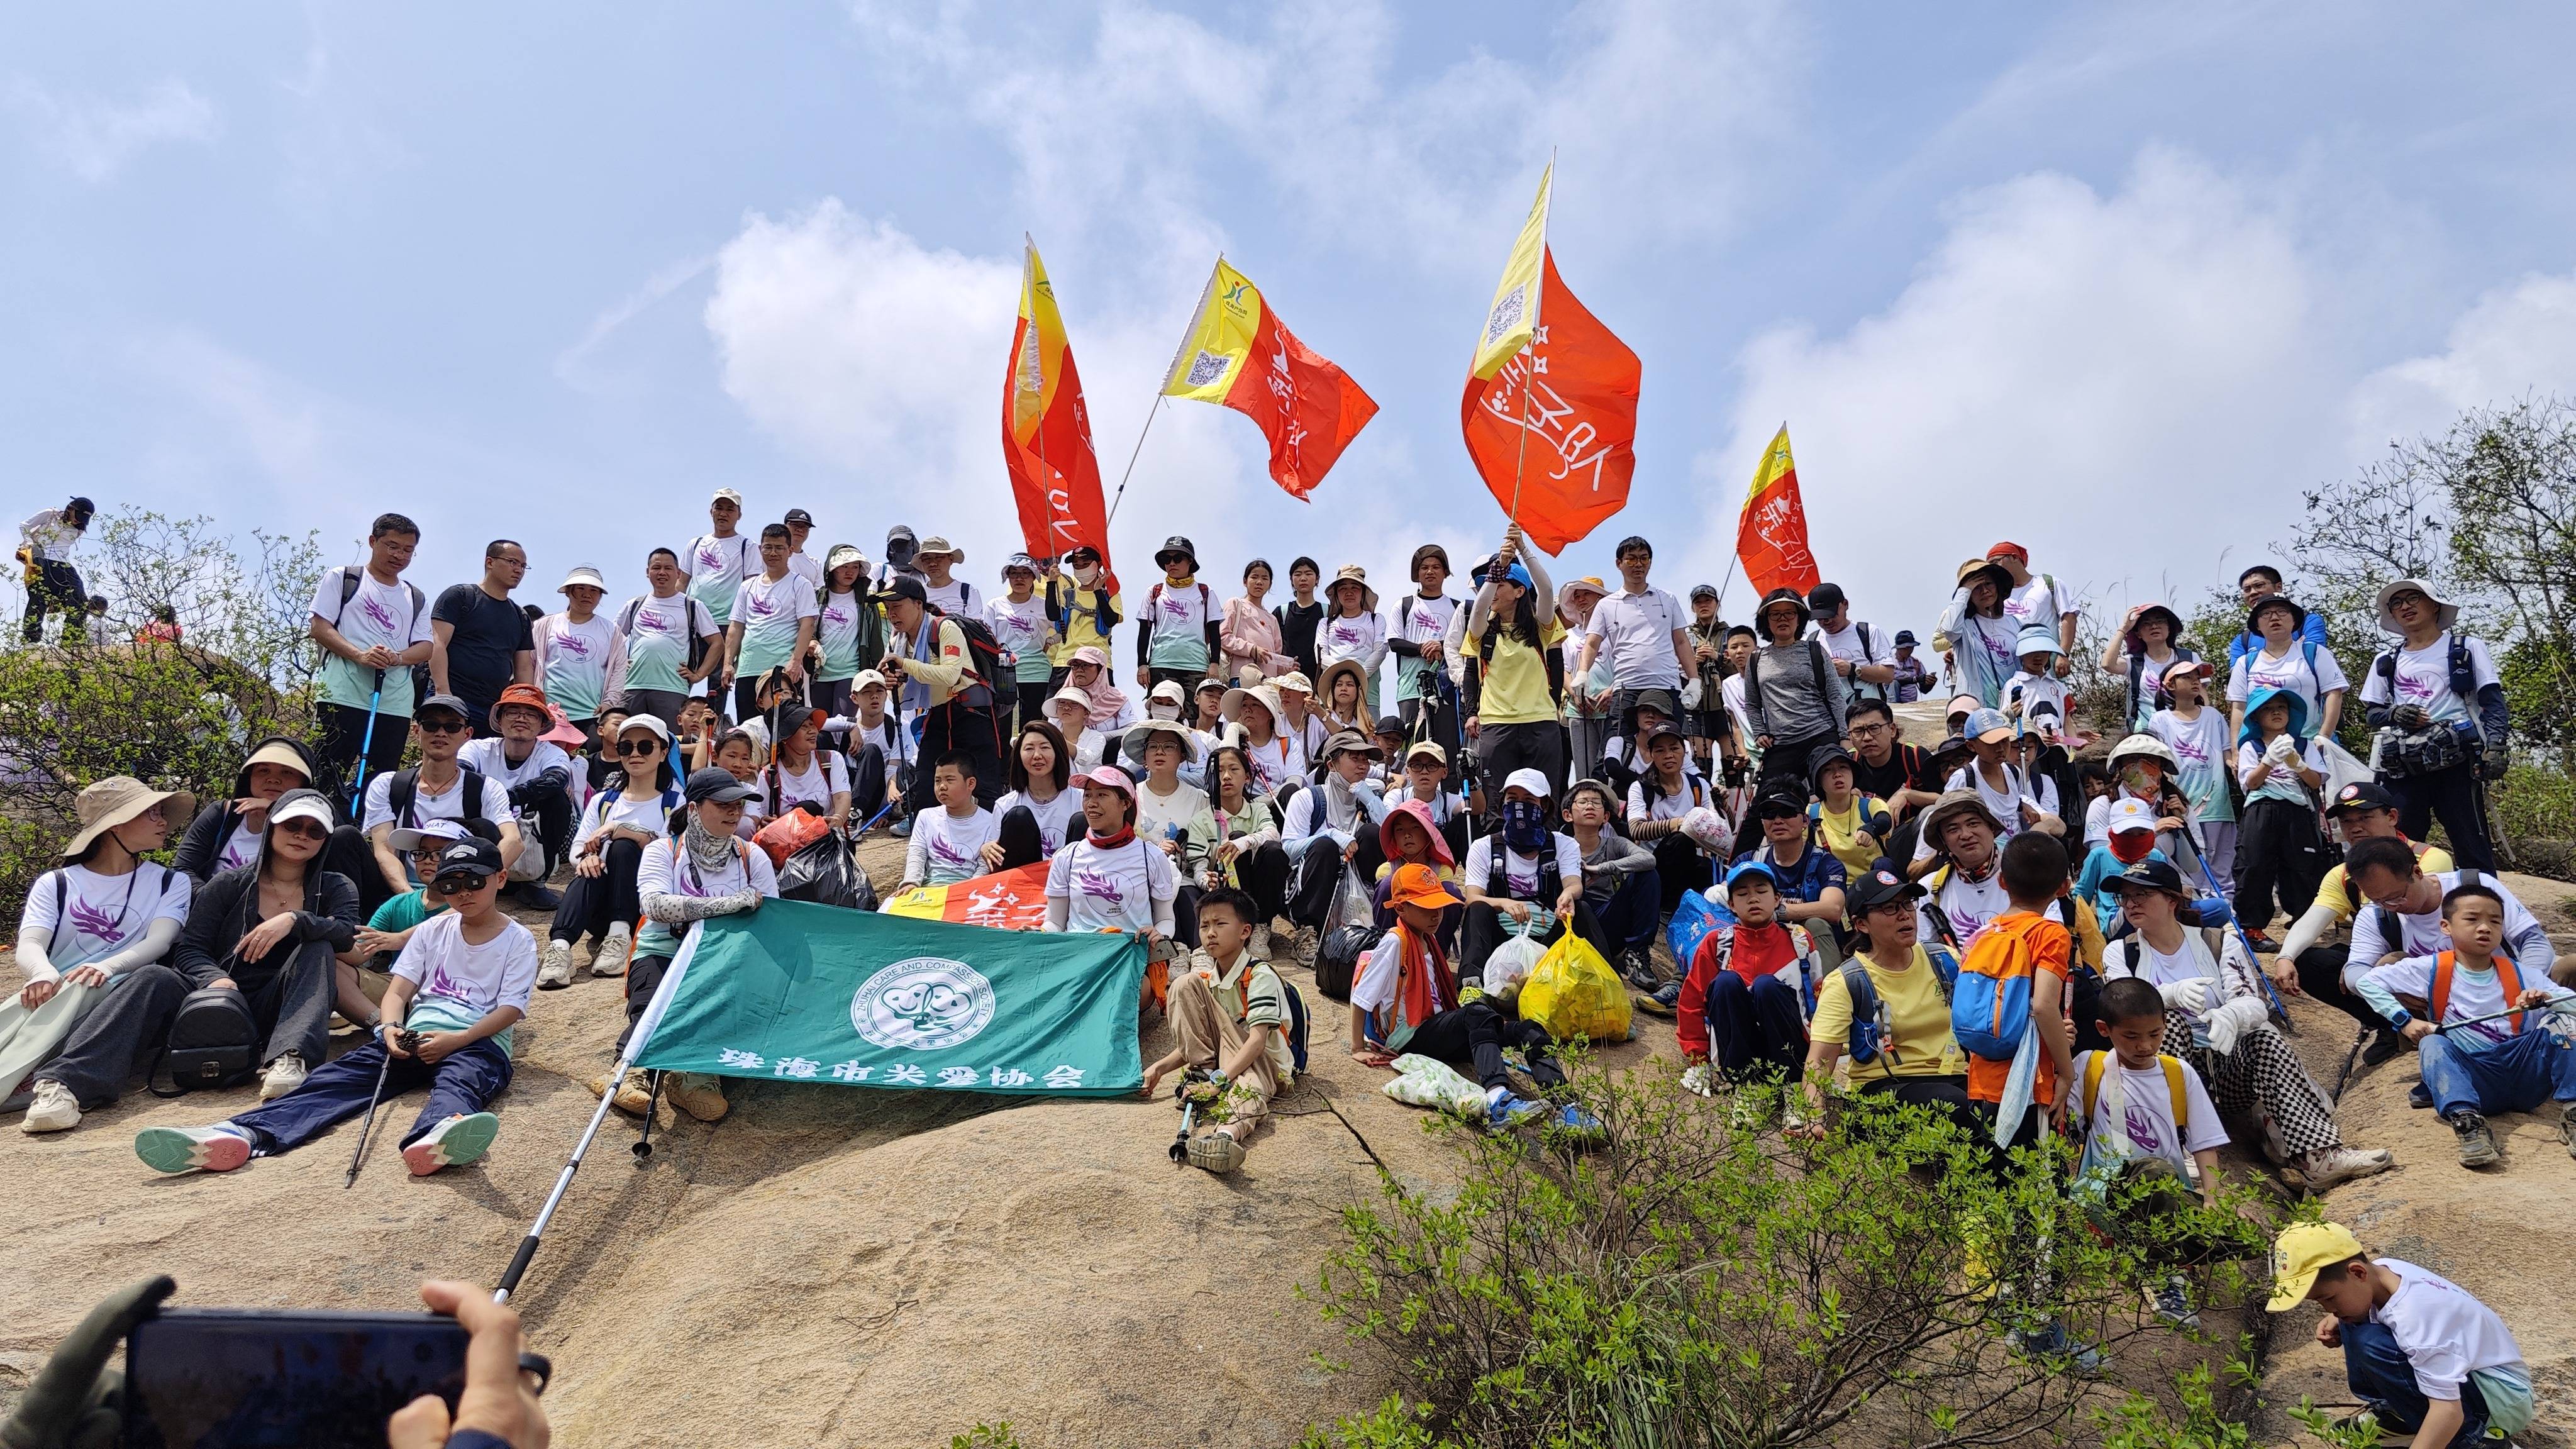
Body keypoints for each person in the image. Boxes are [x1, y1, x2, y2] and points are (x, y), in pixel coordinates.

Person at [136, 836, 530, 1180]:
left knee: (463, 1080)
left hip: (478, 1041)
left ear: (500, 878)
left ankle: (439, 1133)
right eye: (451, 884)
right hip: (413, 1037)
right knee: (335, 1079)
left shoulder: (519, 940)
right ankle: (241, 1133)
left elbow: (510, 1009)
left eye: (474, 881)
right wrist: (390, 1027)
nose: (463, 892)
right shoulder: (431, 931)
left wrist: (458, 1039)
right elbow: (397, 991)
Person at [2101, 859, 2389, 1189]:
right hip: (2159, 1070)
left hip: (2225, 1075)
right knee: (2170, 1023)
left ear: (2172, 900)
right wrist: (2167, 995)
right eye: (2126, 897)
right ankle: (2175, 1144)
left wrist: (2231, 1015)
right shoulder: (2120, 953)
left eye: (2143, 894)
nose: (2131, 904)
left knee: (2263, 1036)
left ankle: (2318, 1156)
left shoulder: (2218, 942)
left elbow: (2251, 1001)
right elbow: (2120, 1005)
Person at [11, 778, 196, 1135]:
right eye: (151, 813)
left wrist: (107, 966)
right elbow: (31, 942)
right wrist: (41, 973)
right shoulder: (57, 882)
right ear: (115, 825)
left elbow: (160, 942)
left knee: (156, 978)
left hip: (134, 995)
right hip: (64, 999)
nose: (163, 822)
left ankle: (63, 1088)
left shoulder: (170, 882)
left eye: (161, 813)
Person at [590, 767, 775, 1123]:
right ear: (693, 809)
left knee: (717, 1004)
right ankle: (631, 1071)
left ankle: (694, 1076)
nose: (734, 812)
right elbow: (655, 906)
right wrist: (729, 904)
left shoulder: (754, 856)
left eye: (738, 804)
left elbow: (770, 917)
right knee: (653, 1002)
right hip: (663, 949)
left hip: (727, 958)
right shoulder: (663, 850)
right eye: (723, 804)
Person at [2355, 879, 2576, 1169]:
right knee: (2433, 1042)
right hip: (2475, 1077)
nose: (2484, 928)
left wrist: (2546, 997)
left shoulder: (2521, 972)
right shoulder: (2430, 967)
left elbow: (2572, 1004)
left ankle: (2573, 1111)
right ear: (2446, 926)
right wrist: (2405, 1021)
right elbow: (2366, 982)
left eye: (2495, 921)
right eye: (2472, 919)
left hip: (2525, 1074)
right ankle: (2469, 1124)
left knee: (2562, 1021)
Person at [161, 787, 358, 1104]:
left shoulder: (335, 886)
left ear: (326, 840)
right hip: (223, 1000)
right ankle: (65, 1078)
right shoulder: (227, 884)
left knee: (318, 948)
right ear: (272, 827)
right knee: (152, 978)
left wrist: (296, 919)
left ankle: (292, 1057)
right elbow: (191, 948)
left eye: (315, 830)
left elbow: (346, 934)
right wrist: (215, 980)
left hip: (282, 1004)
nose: (302, 836)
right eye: (292, 825)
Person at [2269, 1221, 2536, 1448]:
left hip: (2502, 1401)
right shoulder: (2384, 1269)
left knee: (2371, 1342)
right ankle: (2401, 1414)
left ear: (2358, 1272)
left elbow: (2448, 1412)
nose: (2328, 1309)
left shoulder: (2416, 1319)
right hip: (2482, 1380)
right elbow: (2361, 1303)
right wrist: (2337, 1316)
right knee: (2354, 1320)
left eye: (2328, 1298)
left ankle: (2476, 1440)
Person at [1350, 862, 1572, 1129]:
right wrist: (1357, 1049)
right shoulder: (1396, 941)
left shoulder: (1427, 939)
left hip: (1438, 1028)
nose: (1436, 915)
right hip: (1411, 1035)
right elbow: (1361, 996)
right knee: (1477, 1014)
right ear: (1400, 908)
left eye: (1439, 906)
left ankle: (1566, 1106)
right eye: (1426, 907)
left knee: (1529, 1029)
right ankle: (1498, 1099)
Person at [2067, 975, 2233, 1328]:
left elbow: (2204, 1142)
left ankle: (2158, 1255)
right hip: (2105, 1192)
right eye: (2131, 1036)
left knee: (2240, 1237)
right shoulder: (2089, 1067)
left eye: (2154, 1035)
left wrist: (2214, 1198)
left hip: (2168, 1194)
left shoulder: (2178, 1072)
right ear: (2104, 1029)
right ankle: (2163, 1273)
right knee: (2153, 1172)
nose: (2145, 1045)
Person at [1793, 867, 1975, 1142]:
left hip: (1955, 1077)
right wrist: (1812, 1114)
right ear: (1861, 925)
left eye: (1907, 904)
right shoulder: (1847, 981)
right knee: (1958, 1107)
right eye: (1888, 908)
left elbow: (1984, 1016)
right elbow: (1819, 1059)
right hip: (1884, 1090)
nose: (1905, 914)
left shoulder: (1945, 959)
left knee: (2011, 1111)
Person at [2274, 782, 2454, 1061]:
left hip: (2433, 956)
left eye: (2365, 818)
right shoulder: (2342, 874)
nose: (2355, 828)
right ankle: (2388, 1026)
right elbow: (2314, 919)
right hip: (2378, 957)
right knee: (2311, 962)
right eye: (2347, 822)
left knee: (2384, 962)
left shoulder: (2429, 860)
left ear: (2392, 817)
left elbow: (2413, 914)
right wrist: (2285, 957)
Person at [1143, 886, 1295, 1174]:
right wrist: (1159, 1069)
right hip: (1227, 1060)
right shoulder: (1207, 979)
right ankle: (1204, 1073)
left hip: (1267, 1066)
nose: (1210, 933)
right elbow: (1206, 1041)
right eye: (1204, 925)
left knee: (1249, 1084)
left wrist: (1219, 1081)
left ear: (1245, 931)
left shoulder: (1259, 975)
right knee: (1183, 984)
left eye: (1220, 924)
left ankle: (1224, 1137)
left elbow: (1257, 1042)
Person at [2359, 577, 2507, 871]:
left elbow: (2491, 700)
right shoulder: (2387, 660)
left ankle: (2480, 912)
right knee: (2399, 842)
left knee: (2471, 840)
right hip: (2405, 763)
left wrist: (2496, 745)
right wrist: (2395, 713)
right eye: (2397, 603)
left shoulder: (2465, 648)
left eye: (2413, 598)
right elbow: (2372, 713)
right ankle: (2399, 910)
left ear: (2435, 605)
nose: (2405, 607)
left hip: (2457, 760)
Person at [1959, 832, 2080, 1148]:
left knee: (1989, 1179)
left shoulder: (1983, 933)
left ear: (2002, 881)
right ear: (2063, 888)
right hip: (2028, 1081)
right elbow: (2043, 1006)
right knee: (2034, 1183)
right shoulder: (2050, 933)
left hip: (1982, 1076)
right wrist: (2067, 1073)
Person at [540, 715, 679, 988]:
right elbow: (579, 846)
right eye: (627, 747)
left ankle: (620, 934)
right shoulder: (604, 800)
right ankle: (560, 946)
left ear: (663, 753)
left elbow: (672, 851)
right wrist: (587, 857)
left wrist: (622, 829)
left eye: (646, 747)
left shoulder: (674, 802)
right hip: (599, 902)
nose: (635, 754)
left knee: (624, 848)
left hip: (642, 908)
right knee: (589, 868)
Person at [308, 512, 435, 801]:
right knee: (328, 770)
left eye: (407, 550)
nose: (399, 555)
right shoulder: (343, 578)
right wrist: (360, 656)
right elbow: (320, 627)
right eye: (391, 546)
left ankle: (367, 838)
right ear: (372, 541)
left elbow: (425, 647)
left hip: (395, 701)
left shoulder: (415, 597)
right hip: (342, 692)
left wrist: (397, 657)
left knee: (381, 780)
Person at [361, 696, 519, 916]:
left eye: (452, 726)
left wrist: (477, 881)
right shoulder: (389, 785)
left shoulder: (486, 788)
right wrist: (411, 901)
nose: (441, 733)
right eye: (431, 725)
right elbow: (385, 849)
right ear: (416, 731)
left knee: (488, 829)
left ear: (467, 734)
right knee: (345, 838)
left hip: (460, 891)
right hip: (400, 891)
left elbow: (514, 841)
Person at [1676, 862, 1819, 1102]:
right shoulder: (1717, 943)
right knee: (1726, 983)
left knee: (1767, 986)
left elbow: (1818, 995)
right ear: (1731, 905)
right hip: (1736, 1051)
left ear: (1777, 899)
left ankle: (1793, 1087)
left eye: (1761, 891)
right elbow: (1691, 1002)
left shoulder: (1799, 940)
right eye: (1743, 894)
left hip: (1790, 1047)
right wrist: (1698, 1060)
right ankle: (1747, 1087)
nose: (1753, 899)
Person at [1043, 765, 1180, 1009]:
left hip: (1131, 963)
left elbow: (1166, 920)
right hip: (1080, 958)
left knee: (1120, 996)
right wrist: (1040, 934)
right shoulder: (1067, 857)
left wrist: (1160, 935)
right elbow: (1054, 922)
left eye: (1102, 795)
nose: (1091, 803)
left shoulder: (1151, 857)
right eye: (1088, 795)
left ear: (1126, 803)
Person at [1458, 770, 1606, 980]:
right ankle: (1471, 983)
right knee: (1478, 910)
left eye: (1529, 800)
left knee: (1581, 909)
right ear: (1503, 805)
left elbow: (1574, 884)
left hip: (1550, 941)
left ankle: (1602, 980)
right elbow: (1473, 897)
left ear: (1543, 806)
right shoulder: (1484, 847)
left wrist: (1568, 895)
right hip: (1501, 939)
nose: (1520, 806)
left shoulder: (1563, 844)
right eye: (1513, 799)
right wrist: (1504, 903)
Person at [880, 574, 1006, 810]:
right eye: (887, 608)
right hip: (938, 712)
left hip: (972, 710)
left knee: (983, 782)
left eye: (897, 606)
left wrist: (905, 666)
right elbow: (901, 698)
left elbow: (950, 674)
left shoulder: (945, 627)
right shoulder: (896, 641)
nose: (892, 613)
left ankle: (992, 839)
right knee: (928, 778)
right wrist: (893, 683)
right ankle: (925, 839)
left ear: (918, 604)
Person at [1463, 536, 1570, 805]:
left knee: (1544, 800)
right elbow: (1479, 608)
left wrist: (1523, 549)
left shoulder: (1540, 626)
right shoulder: (1483, 629)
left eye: (1501, 585)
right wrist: (1498, 566)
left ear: (1520, 591)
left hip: (1540, 722)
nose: (1492, 591)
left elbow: (1546, 590)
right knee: (1498, 803)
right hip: (1497, 725)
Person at [459, 684, 576, 910]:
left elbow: (556, 779)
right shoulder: (478, 749)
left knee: (558, 799)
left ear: (542, 724)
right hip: (485, 830)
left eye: (531, 714)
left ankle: (536, 882)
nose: (521, 719)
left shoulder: (552, 753)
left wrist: (501, 798)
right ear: (500, 720)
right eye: (513, 712)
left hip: (531, 834)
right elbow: (459, 774)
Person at [2233, 686, 2330, 943]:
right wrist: (2269, 761)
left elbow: (2314, 782)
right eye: (2268, 708)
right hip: (2261, 809)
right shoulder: (2250, 747)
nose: (2276, 712)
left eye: (2281, 708)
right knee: (2254, 865)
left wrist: (2298, 764)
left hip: (2297, 810)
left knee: (2301, 867)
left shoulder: (2305, 745)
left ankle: (2304, 925)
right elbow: (2251, 784)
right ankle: (2252, 929)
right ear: (2256, 717)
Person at [1574, 535, 1692, 736]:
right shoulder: (1607, 604)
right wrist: (1582, 672)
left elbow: (1681, 641)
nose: (1638, 564)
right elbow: (1592, 644)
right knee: (1613, 756)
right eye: (1631, 559)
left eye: (1644, 558)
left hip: (1667, 686)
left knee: (1667, 753)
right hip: (1626, 689)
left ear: (1650, 562)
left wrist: (1695, 680)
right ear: (1619, 563)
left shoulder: (1668, 598)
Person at [1741, 587, 1849, 795]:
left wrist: (1844, 736)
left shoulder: (1815, 651)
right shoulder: (1755, 659)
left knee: (1835, 795)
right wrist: (1759, 731)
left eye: (1789, 613)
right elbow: (1752, 704)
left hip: (1821, 736)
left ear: (1799, 618)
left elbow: (1835, 695)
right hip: (1781, 744)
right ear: (1766, 620)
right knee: (1768, 802)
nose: (1783, 619)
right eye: (1775, 614)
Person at [1281, 731, 1392, 930]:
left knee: (1372, 833)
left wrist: (1371, 799)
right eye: (1354, 757)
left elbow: (1390, 838)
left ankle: (1369, 920)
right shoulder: (1307, 798)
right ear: (1331, 764)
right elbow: (1290, 849)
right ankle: (1309, 929)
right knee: (1325, 845)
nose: (1363, 765)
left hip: (1355, 893)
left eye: (1365, 759)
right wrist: (1331, 834)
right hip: (1309, 889)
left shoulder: (1367, 798)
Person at [1181, 744, 1292, 938]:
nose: (1226, 777)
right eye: (1219, 771)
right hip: (1225, 891)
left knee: (1272, 851)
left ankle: (1262, 928)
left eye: (1233, 769)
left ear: (1247, 776)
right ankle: (1239, 924)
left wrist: (1242, 844)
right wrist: (1208, 882)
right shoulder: (1201, 820)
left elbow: (1273, 834)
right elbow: (1199, 867)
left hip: (1259, 889)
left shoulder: (1258, 810)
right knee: (1236, 838)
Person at [431, 540, 536, 739]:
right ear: (490, 562)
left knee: (489, 768)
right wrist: (443, 694)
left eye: (523, 566)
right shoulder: (461, 597)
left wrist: (523, 707)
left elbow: (523, 668)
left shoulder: (520, 616)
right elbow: (438, 643)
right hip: (455, 699)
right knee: (445, 764)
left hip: (495, 710)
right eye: (512, 562)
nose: (519, 570)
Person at [1730, 787, 1849, 963]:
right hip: (1763, 940)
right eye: (1769, 814)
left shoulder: (1826, 863)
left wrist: (1777, 911)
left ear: (1805, 821)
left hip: (1813, 945)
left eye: (1787, 812)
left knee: (1816, 923)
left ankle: (1828, 989)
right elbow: (1726, 902)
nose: (1778, 820)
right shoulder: (1748, 861)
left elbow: (1832, 909)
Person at [2146, 659, 2236, 888]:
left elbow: (2228, 753)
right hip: (2182, 804)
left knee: (2221, 863)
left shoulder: (2213, 716)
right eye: (2186, 677)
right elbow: (2160, 762)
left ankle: (2225, 911)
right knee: (2189, 863)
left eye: (2197, 676)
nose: (2195, 680)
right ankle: (2198, 912)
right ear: (2170, 686)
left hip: (2216, 804)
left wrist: (2235, 765)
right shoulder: (2160, 720)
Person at [716, 524, 819, 722]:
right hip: (747, 669)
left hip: (781, 670)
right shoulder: (747, 586)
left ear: (790, 551)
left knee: (782, 730)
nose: (773, 553)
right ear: (760, 549)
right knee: (748, 729)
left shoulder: (801, 584)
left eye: (779, 548)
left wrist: (796, 662)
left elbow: (807, 625)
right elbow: (736, 627)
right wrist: (728, 664)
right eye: (768, 547)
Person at [611, 547, 723, 730]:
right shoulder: (634, 605)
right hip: (632, 686)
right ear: (648, 572)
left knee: (670, 744)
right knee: (627, 742)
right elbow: (612, 640)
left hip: (672, 688)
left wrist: (699, 675)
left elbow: (717, 643)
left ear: (678, 573)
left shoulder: (692, 605)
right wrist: (620, 663)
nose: (662, 572)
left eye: (668, 568)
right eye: (656, 568)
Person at [1562, 778, 1659, 980]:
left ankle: (1637, 954)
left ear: (1606, 817)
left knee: (1648, 874)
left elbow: (1648, 859)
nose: (1590, 806)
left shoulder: (1615, 844)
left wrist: (1602, 869)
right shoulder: (1559, 844)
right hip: (1571, 921)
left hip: (1607, 919)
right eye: (1583, 802)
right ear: (1568, 815)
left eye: (1596, 802)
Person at [1624, 722, 1720, 914]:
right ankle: (1672, 907)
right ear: (1651, 755)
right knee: (1682, 839)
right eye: (1660, 750)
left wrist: (1722, 806)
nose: (1668, 755)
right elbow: (1636, 829)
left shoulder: (1698, 784)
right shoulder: (1641, 787)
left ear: (1684, 752)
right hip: (1656, 867)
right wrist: (1678, 824)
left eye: (1674, 748)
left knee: (1724, 876)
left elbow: (1718, 830)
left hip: (1691, 862)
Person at [2225, 592, 2347, 742]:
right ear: (2257, 625)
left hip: (2310, 745)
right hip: (2261, 750)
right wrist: (2237, 749)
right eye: (2266, 614)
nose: (2274, 618)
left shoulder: (2314, 653)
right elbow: (2238, 708)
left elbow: (2334, 694)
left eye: (2282, 611)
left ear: (2294, 620)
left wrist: (2324, 737)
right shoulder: (2245, 663)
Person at [535, 565, 619, 741]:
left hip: (591, 714)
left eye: (594, 590)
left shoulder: (611, 630)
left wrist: (609, 703)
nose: (587, 594)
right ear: (568, 591)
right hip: (550, 714)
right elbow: (530, 663)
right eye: (581, 588)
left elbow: (619, 670)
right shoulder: (545, 625)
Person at [1843, 698, 1941, 842]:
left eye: (1874, 728)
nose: (1867, 737)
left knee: (1929, 813)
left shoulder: (1913, 756)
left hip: (1912, 835)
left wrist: (1907, 794)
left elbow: (1947, 799)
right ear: (1850, 736)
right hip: (1863, 837)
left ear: (1892, 730)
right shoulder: (1849, 762)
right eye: (1858, 731)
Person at [1389, 543, 1460, 744]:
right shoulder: (1404, 605)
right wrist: (1423, 648)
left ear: (1445, 572)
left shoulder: (1457, 608)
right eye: (1424, 567)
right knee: (1412, 746)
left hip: (1447, 689)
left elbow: (1464, 644)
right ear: (1417, 573)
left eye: (1436, 567)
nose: (1430, 571)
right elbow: (1394, 642)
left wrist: (1441, 645)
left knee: (1446, 747)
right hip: (1410, 688)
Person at [899, 752, 998, 891]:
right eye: (938, 780)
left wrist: (970, 888)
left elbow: (984, 866)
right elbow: (917, 853)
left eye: (949, 780)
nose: (942, 787)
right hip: (931, 888)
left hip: (970, 889)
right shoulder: (926, 816)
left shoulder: (990, 821)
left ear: (971, 783)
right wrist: (911, 883)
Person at [1134, 535, 1220, 692]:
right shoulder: (1154, 592)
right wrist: (1142, 664)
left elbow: (1215, 632)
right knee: (1161, 715)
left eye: (1178, 558)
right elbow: (1144, 631)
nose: (1172, 563)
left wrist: (1215, 663)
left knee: (1195, 717)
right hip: (1161, 664)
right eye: (1167, 559)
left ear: (1190, 561)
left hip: (1197, 665)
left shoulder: (1206, 592)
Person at [991, 718, 1080, 868]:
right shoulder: (1005, 805)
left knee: (1081, 821)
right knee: (1017, 816)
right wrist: (985, 849)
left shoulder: (1080, 799)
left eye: (1044, 748)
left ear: (1058, 752)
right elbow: (995, 853)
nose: (1037, 755)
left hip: (1067, 880)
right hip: (1023, 883)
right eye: (1029, 749)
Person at [1934, 557, 2019, 707]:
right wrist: (1964, 589)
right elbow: (1949, 629)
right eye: (1977, 587)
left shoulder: (2016, 624)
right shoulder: (1965, 627)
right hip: (1978, 709)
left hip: (2016, 705)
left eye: (1988, 584)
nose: (1985, 591)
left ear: (1998, 587)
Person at [2101, 602, 2197, 734]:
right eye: (2146, 623)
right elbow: (2107, 664)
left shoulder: (2189, 658)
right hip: (2147, 734)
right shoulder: (2134, 662)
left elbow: (2201, 695)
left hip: (2184, 729)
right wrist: (2123, 629)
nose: (2154, 626)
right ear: (2138, 634)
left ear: (2169, 628)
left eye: (2160, 621)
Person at [815, 545, 885, 723]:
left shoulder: (867, 603)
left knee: (844, 725)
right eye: (844, 566)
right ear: (832, 569)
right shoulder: (817, 597)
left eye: (855, 567)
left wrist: (880, 676)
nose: (849, 572)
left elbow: (876, 642)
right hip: (818, 674)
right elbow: (806, 629)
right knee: (820, 727)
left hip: (850, 672)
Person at [984, 553, 1055, 724]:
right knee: (1005, 727)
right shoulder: (995, 605)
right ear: (1007, 576)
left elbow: (1065, 627)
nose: (1019, 578)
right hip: (1005, 675)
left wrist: (1051, 641)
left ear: (1034, 577)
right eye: (1014, 573)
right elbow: (987, 639)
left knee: (1036, 726)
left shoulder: (1044, 604)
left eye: (1025, 573)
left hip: (1038, 673)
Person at [1558, 574, 1616, 780]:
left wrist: (1612, 691)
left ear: (1600, 597)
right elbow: (1562, 670)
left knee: (1613, 769)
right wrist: (1575, 695)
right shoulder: (1569, 636)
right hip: (1579, 709)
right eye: (1577, 596)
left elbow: (1626, 666)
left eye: (1587, 594)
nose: (1581, 599)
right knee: (1585, 771)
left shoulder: (1614, 633)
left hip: (1611, 707)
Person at [1986, 540, 2077, 672]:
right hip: (2011, 667)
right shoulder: (1997, 595)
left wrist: (2063, 654)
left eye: (1996, 562)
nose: (1994, 569)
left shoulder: (2048, 584)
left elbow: (2069, 617)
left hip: (2047, 664)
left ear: (2014, 557)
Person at [16, 494, 94, 644]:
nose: (78, 521)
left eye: (83, 519)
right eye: (77, 516)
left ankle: (72, 638)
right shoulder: (50, 515)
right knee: (39, 598)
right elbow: (24, 525)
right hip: (42, 559)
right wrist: (30, 543)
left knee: (79, 597)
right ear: (71, 509)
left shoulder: (78, 530)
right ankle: (31, 640)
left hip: (63, 565)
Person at [1042, 543, 1123, 688]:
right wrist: (1051, 583)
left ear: (1098, 565)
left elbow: (1110, 621)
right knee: (1055, 708)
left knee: (1100, 710)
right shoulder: (1069, 594)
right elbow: (1053, 614)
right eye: (1077, 565)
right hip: (1066, 660)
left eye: (1085, 564)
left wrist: (1098, 591)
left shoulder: (1110, 595)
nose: (1081, 568)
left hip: (1098, 661)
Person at [679, 487, 756, 636]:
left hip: (728, 623)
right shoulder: (696, 544)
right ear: (711, 512)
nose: (723, 514)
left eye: (730, 510)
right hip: (694, 620)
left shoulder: (747, 546)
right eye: (719, 508)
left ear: (739, 515)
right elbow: (682, 582)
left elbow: (751, 587)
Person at [760, 708, 850, 831]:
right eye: (804, 726)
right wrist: (766, 822)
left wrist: (838, 818)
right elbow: (763, 818)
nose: (813, 731)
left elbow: (841, 796)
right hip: (790, 844)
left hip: (828, 839)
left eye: (812, 725)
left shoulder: (831, 759)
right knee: (807, 809)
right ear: (785, 738)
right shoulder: (769, 775)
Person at [1807, 582, 1896, 704]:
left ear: (1845, 605)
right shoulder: (1812, 641)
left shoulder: (1867, 632)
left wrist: (1853, 669)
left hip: (1868, 713)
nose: (1826, 621)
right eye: (1820, 618)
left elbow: (1888, 675)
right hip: (1830, 716)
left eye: (1831, 615)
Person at [2226, 565, 2331, 667]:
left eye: (2259, 586)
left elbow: (2313, 658)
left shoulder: (2308, 622)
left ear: (2279, 587)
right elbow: (2240, 676)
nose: (2253, 593)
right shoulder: (2242, 641)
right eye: (2247, 590)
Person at [1316, 565, 1386, 717]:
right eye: (1343, 588)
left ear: (1363, 593)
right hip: (1333, 688)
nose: (1349, 593)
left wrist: (1360, 674)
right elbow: (1320, 654)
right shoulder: (1325, 623)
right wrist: (1344, 673)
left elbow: (1380, 650)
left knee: (1369, 735)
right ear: (1336, 594)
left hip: (1368, 688)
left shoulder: (1376, 620)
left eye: (1355, 588)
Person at [843, 669, 907, 826]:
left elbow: (893, 769)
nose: (874, 697)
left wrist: (884, 811)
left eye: (880, 691)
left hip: (876, 795)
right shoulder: (846, 726)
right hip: (846, 793)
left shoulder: (897, 726)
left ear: (886, 695)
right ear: (854, 698)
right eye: (866, 692)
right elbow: (819, 724)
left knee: (871, 750)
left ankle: (855, 813)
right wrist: (851, 727)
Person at [1225, 681, 1305, 796]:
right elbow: (1224, 768)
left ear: (1270, 714)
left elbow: (1295, 783)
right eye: (1244, 705)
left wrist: (1261, 803)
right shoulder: (1236, 742)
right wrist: (1233, 728)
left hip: (1278, 805)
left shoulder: (1289, 745)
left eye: (1255, 705)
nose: (1248, 710)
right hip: (1243, 806)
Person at [1220, 557, 1292, 682]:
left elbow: (1276, 655)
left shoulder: (1272, 619)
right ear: (1245, 581)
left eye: (1265, 578)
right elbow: (1222, 637)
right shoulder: (1235, 604)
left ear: (1270, 584)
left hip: (1269, 681)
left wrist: (1288, 668)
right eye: (1254, 577)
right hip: (1241, 676)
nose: (1259, 582)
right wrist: (1252, 649)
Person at [2002, 629, 2071, 739]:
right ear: (2022, 653)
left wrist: (2077, 740)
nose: (2038, 657)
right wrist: (2009, 715)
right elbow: (2004, 722)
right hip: (2027, 751)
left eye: (2044, 651)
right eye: (2031, 651)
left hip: (2059, 751)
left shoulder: (2059, 687)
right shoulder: (2013, 686)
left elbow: (2067, 722)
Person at [1272, 556, 1326, 681]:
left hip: (1320, 682)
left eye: (1308, 574)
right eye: (1298, 574)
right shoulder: (1282, 612)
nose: (1303, 578)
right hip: (1288, 682)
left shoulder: (1327, 612)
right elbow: (1272, 648)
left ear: (1317, 579)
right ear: (1292, 580)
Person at [913, 535, 975, 616]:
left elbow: (976, 625)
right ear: (922, 563)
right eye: (927, 559)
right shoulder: (916, 594)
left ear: (951, 559)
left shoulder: (968, 592)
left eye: (939, 557)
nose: (932, 563)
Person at [780, 508, 823, 589]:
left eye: (805, 527)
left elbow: (818, 594)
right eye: (795, 525)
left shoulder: (815, 563)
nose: (800, 530)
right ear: (785, 527)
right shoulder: (772, 555)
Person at [1887, 630, 1932, 703]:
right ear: (1898, 648)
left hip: (1911, 703)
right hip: (1892, 700)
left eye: (1912, 647)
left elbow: (1924, 690)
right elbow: (1887, 681)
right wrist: (1915, 679)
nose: (1910, 650)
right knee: (1894, 683)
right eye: (1906, 648)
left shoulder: (1916, 663)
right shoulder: (1889, 662)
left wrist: (1929, 683)